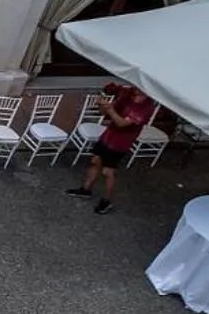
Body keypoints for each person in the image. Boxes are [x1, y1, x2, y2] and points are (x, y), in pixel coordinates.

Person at [66, 81, 156, 214]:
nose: (135, 89)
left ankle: (106, 201)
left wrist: (110, 109)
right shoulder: (127, 94)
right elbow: (106, 114)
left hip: (120, 143)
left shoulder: (146, 108)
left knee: (108, 172)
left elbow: (121, 123)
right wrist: (102, 105)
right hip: (107, 136)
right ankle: (85, 190)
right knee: (95, 161)